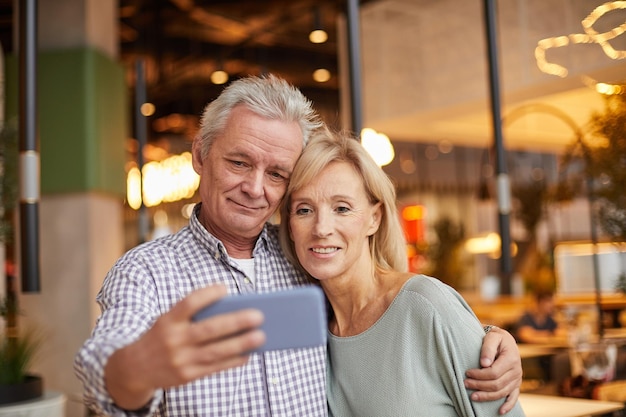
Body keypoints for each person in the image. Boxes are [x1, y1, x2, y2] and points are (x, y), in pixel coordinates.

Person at [74, 74, 522, 416]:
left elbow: (395, 319)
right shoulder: (148, 272)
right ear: (199, 155)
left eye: (276, 175)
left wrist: (485, 339)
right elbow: (103, 365)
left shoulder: (305, 260)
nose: (255, 188)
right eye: (238, 162)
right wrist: (139, 368)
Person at [279, 129, 526, 416]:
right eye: (304, 210)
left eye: (342, 208)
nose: (321, 228)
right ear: (289, 226)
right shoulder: (313, 330)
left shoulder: (424, 304)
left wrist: (481, 336)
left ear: (374, 218)